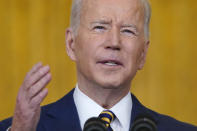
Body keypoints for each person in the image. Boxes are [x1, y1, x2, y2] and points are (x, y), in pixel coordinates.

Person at [0, 0, 197, 131]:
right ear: (71, 44)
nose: (114, 42)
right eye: (100, 27)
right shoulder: (21, 128)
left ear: (143, 54)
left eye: (128, 31)